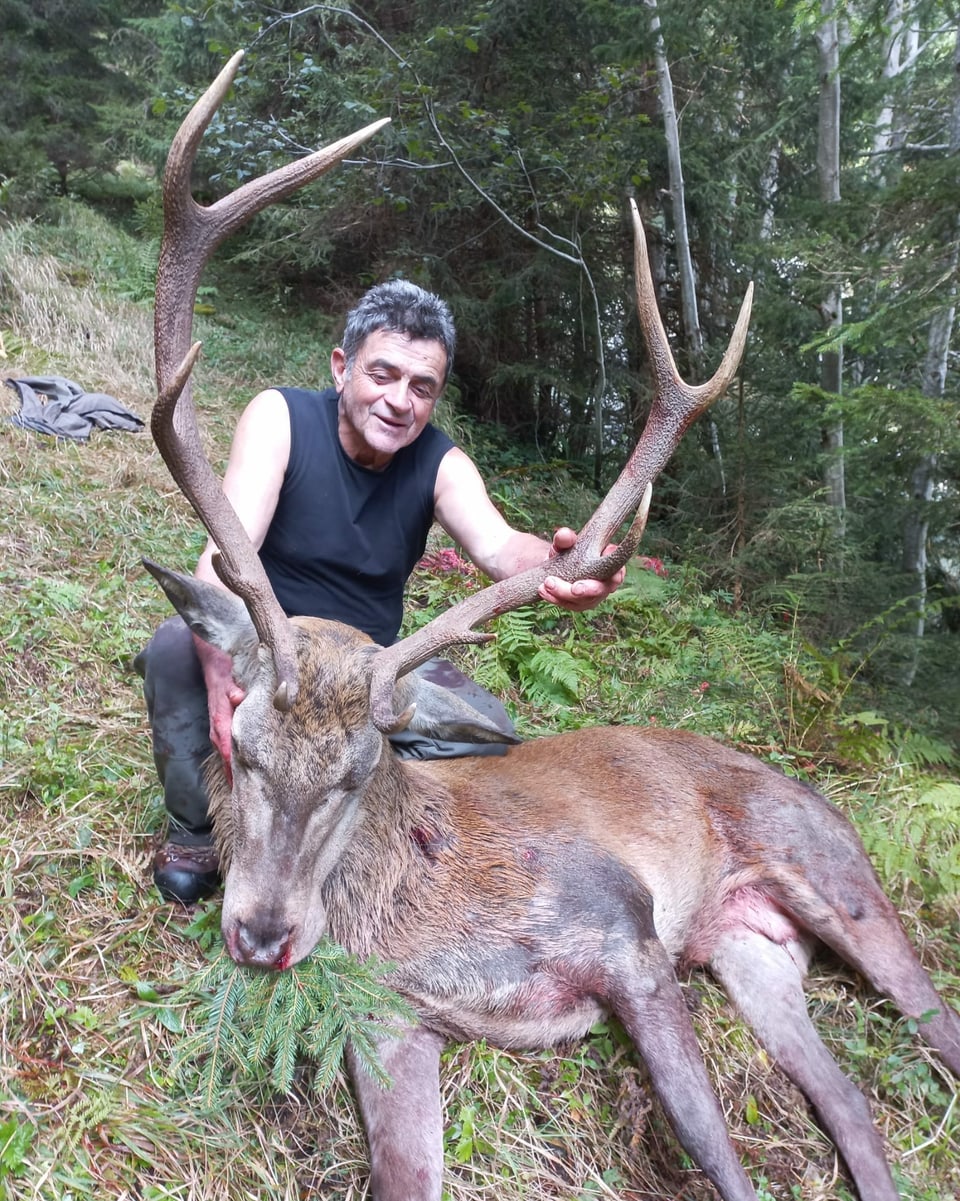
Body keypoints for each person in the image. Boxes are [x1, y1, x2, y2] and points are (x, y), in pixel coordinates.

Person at [136, 280, 623, 904]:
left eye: (422, 388)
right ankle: (195, 827)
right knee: (180, 646)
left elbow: (502, 548)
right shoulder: (281, 420)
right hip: (274, 656)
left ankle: (369, 812)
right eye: (382, 374)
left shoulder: (439, 464)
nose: (400, 402)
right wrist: (220, 676)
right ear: (342, 368)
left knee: (492, 733)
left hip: (370, 672)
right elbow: (220, 561)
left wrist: (562, 562)